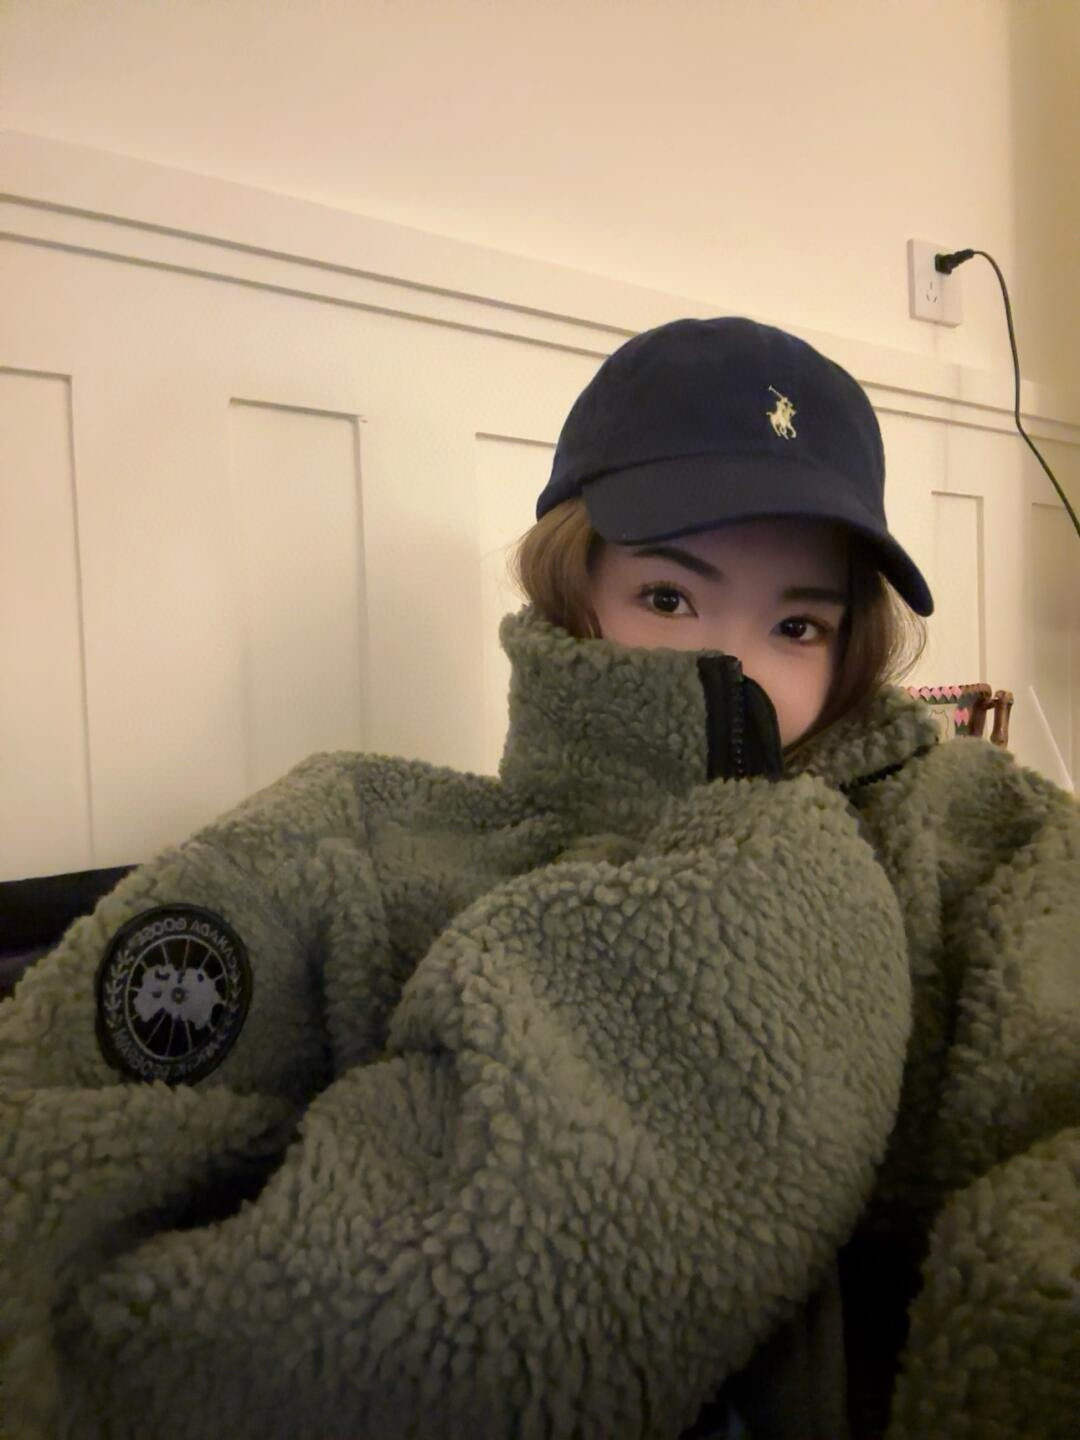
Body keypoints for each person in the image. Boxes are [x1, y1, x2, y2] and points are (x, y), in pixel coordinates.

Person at [0, 318, 1076, 1440]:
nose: (740, 666)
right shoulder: (354, 838)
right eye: (671, 599)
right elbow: (56, 1170)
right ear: (575, 583)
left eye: (797, 623)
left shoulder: (964, 829)